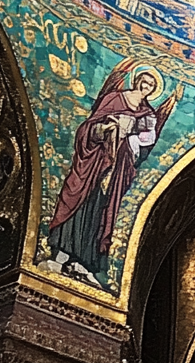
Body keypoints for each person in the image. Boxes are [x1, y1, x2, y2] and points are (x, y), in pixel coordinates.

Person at [46, 60, 177, 287]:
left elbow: (147, 139)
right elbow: (88, 128)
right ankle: (60, 255)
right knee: (81, 199)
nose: (144, 89)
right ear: (136, 81)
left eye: (149, 87)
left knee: (103, 210)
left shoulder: (147, 113)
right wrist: (104, 130)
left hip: (117, 169)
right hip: (95, 163)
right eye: (143, 83)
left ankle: (83, 263)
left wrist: (133, 134)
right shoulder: (114, 98)